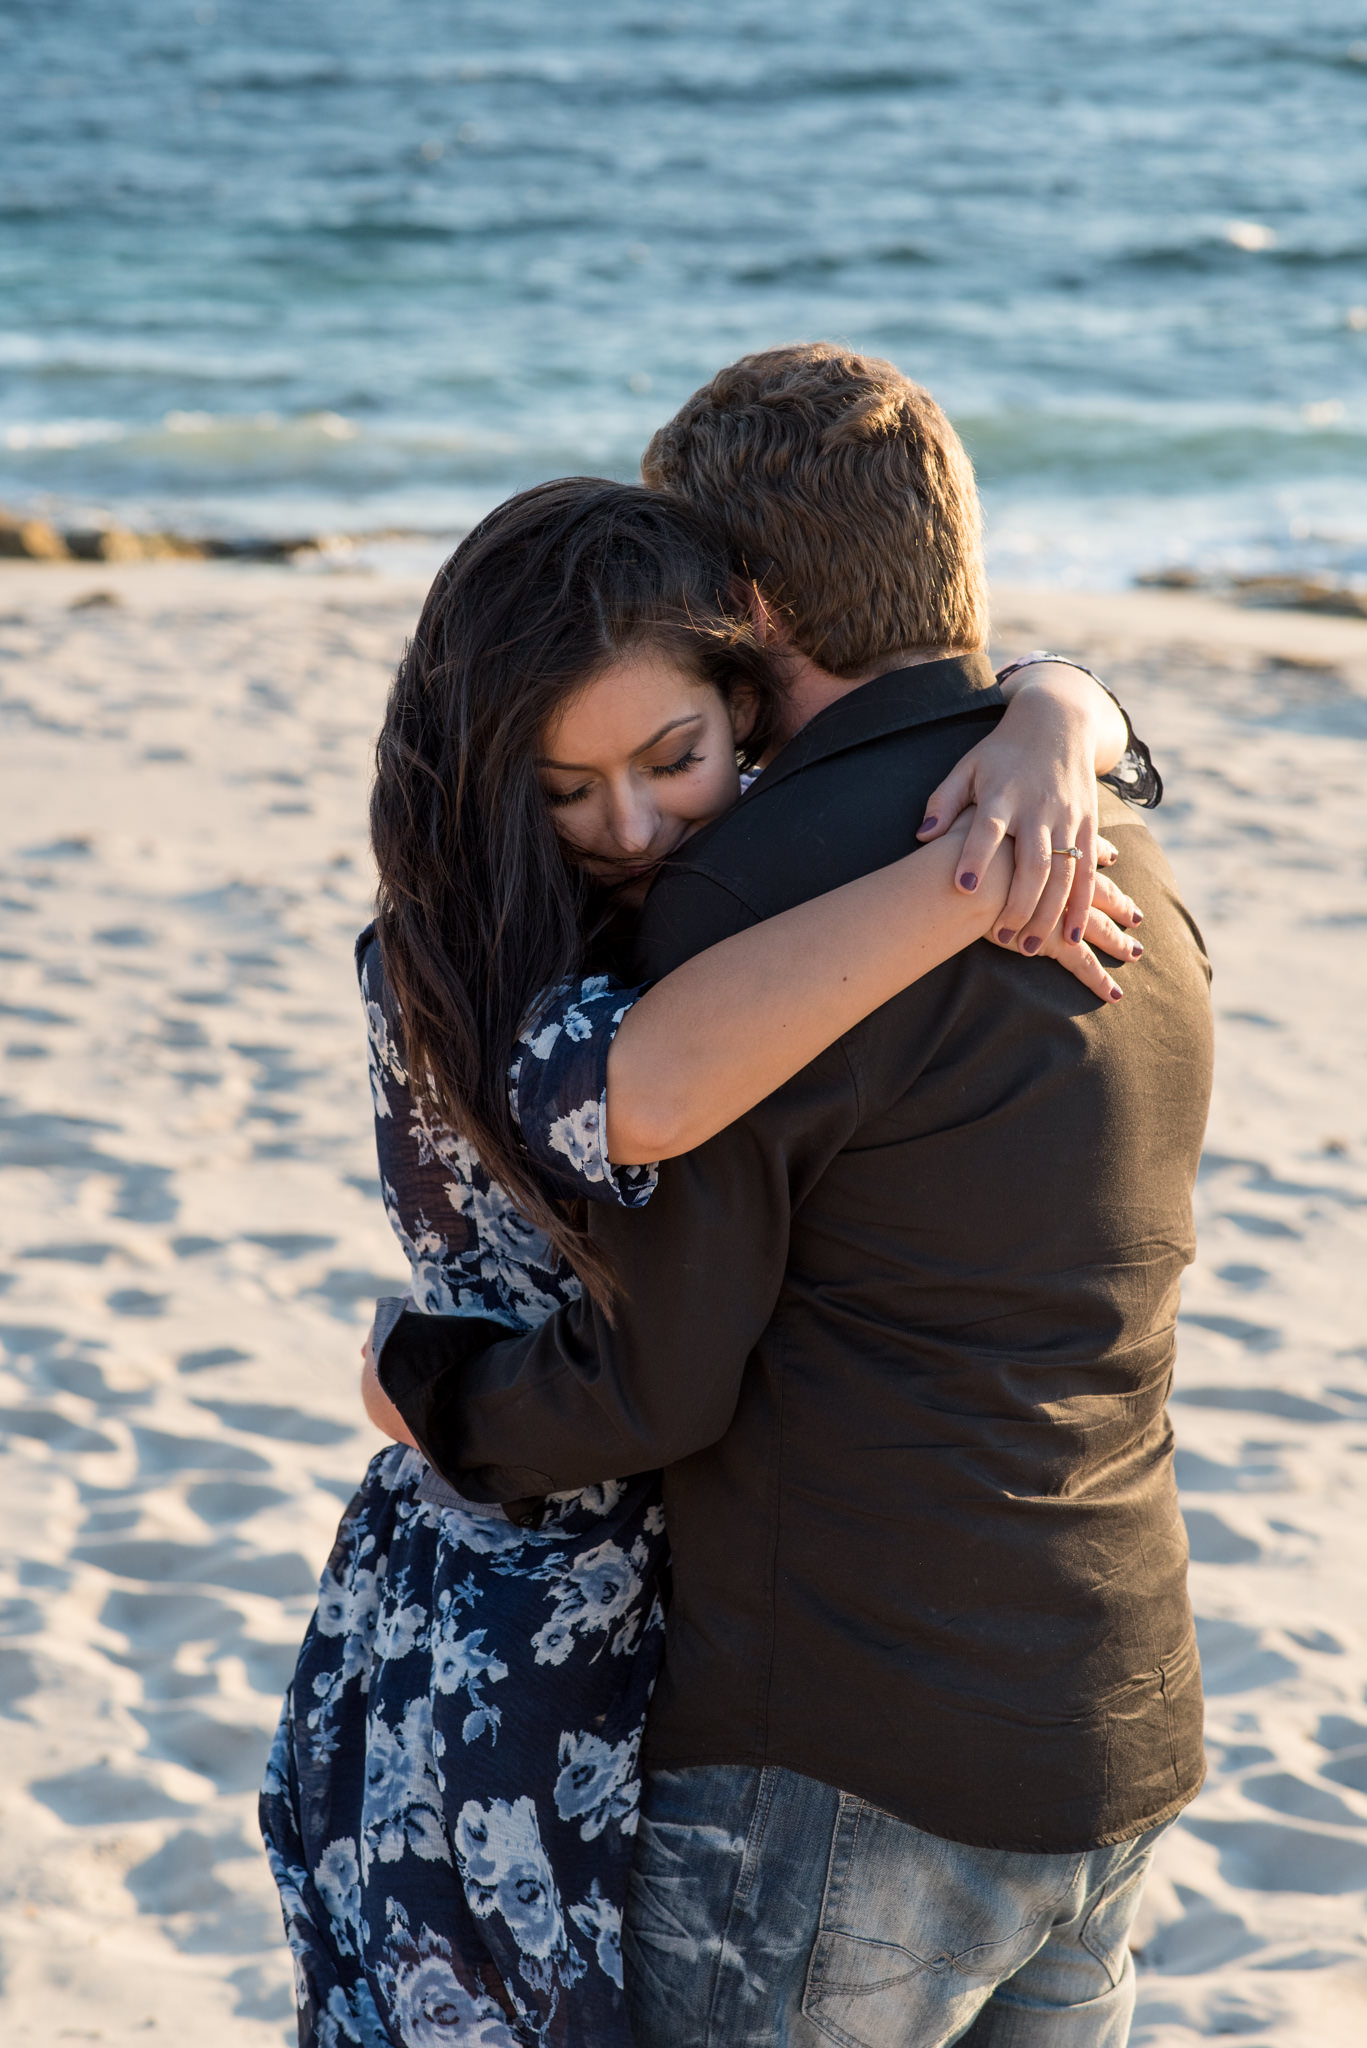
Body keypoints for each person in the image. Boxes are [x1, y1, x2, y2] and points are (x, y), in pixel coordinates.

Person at [372, 348, 1214, 2048]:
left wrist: (433, 1394)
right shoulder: (1113, 841)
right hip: (1115, 1718)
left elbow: (658, 1382)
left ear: (736, 607)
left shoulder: (748, 903)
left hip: (848, 1751)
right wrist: (1059, 697)